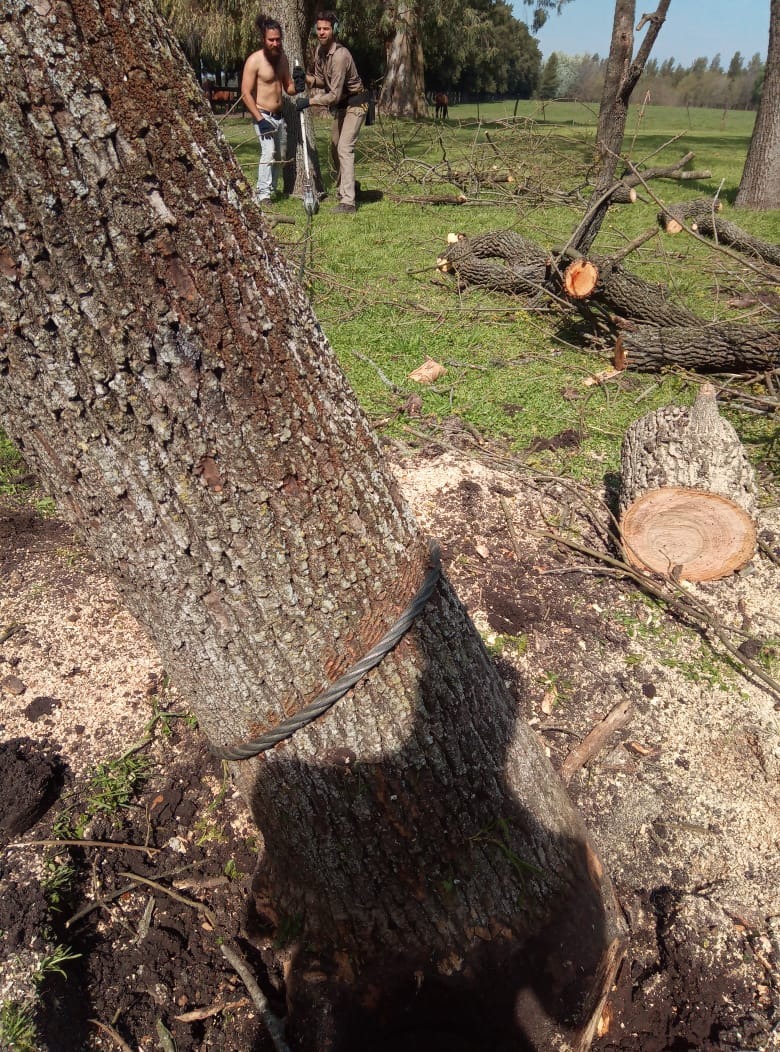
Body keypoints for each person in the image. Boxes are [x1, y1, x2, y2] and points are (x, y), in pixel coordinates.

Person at [294, 11, 368, 214]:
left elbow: (333, 94)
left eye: (326, 28)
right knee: (335, 149)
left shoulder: (340, 56)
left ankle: (348, 203)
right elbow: (320, 80)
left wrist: (309, 101)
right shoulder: (320, 51)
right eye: (318, 29)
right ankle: (350, 187)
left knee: (345, 148)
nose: (321, 32)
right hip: (343, 106)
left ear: (334, 30)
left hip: (356, 104)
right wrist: (306, 78)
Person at [241, 15, 307, 204]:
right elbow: (245, 93)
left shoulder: (282, 58)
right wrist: (259, 120)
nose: (275, 43)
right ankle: (262, 194)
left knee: (279, 156)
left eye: (278, 39)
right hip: (262, 115)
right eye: (271, 40)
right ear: (263, 39)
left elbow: (289, 88)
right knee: (268, 152)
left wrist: (299, 84)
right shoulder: (255, 60)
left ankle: (271, 189)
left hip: (280, 117)